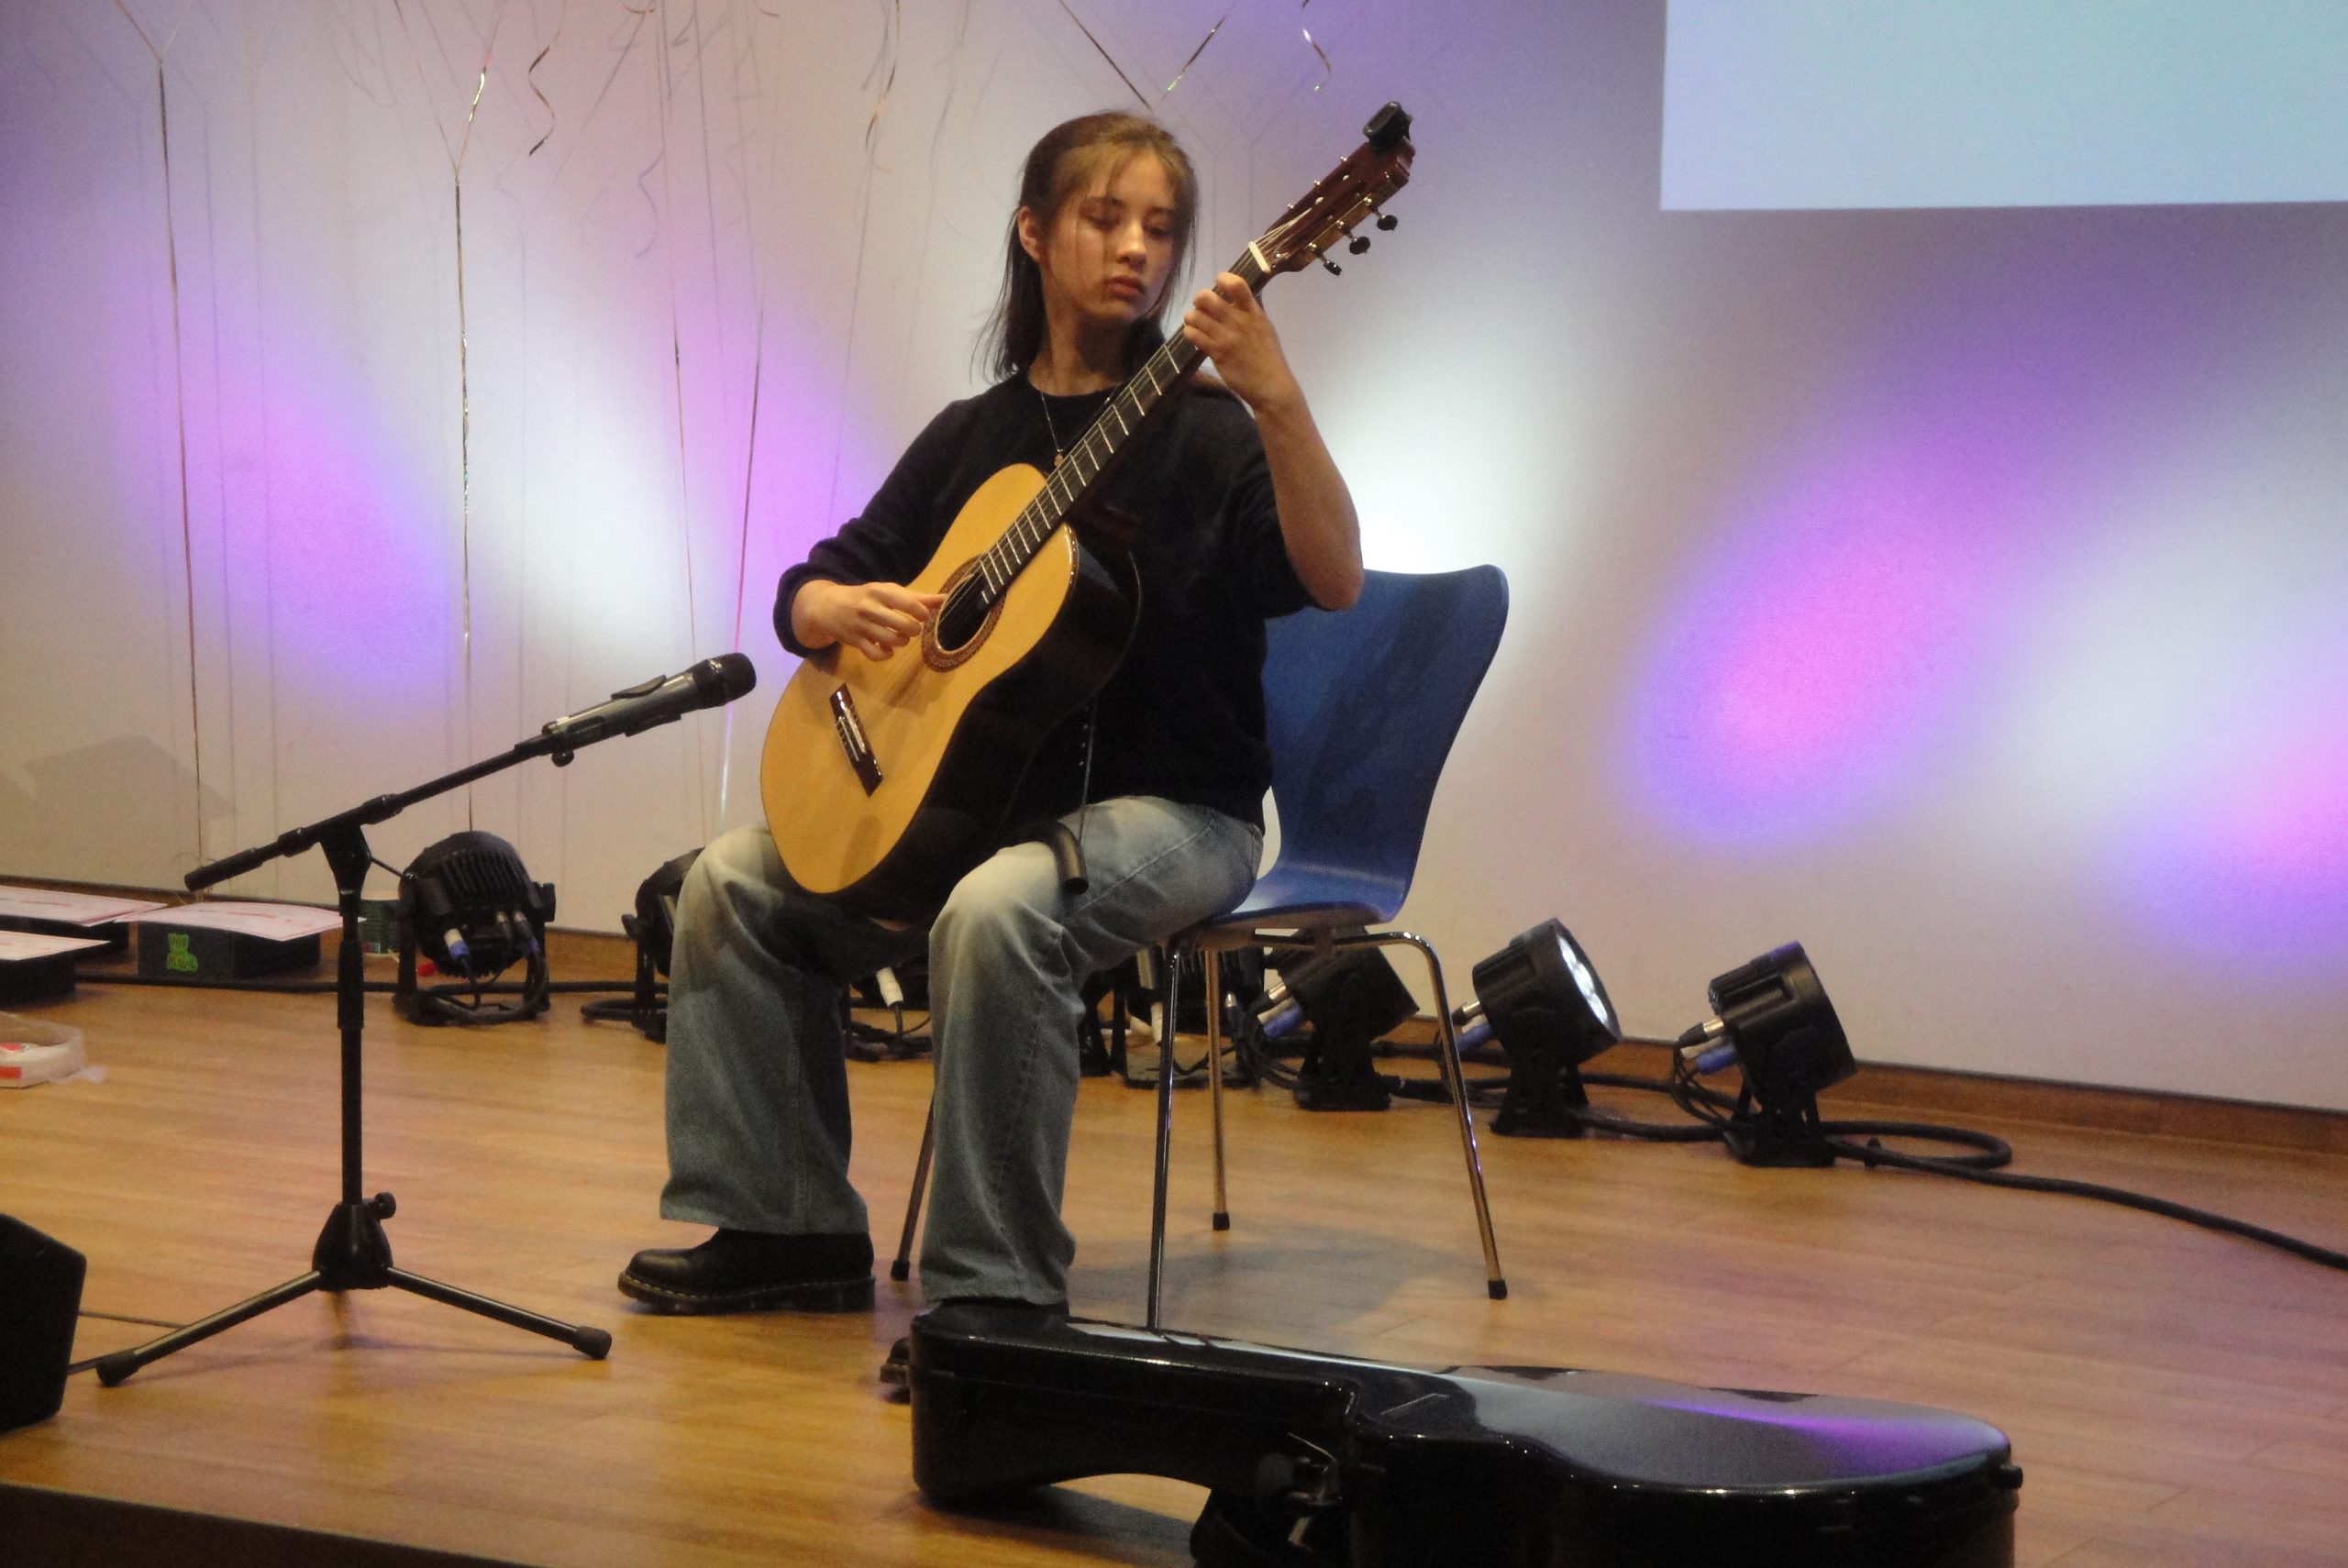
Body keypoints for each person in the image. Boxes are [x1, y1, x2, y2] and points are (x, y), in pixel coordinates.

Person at [621, 111, 1362, 1318]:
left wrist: (1278, 401)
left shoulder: (1206, 430)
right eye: (1104, 218)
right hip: (981, 809)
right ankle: (783, 1226)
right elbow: (814, 583)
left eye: (1160, 228)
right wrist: (827, 607)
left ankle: (996, 1295)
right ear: (1033, 232)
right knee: (731, 885)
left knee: (1000, 909)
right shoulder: (974, 435)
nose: (1137, 248)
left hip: (1180, 809)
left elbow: (1334, 579)